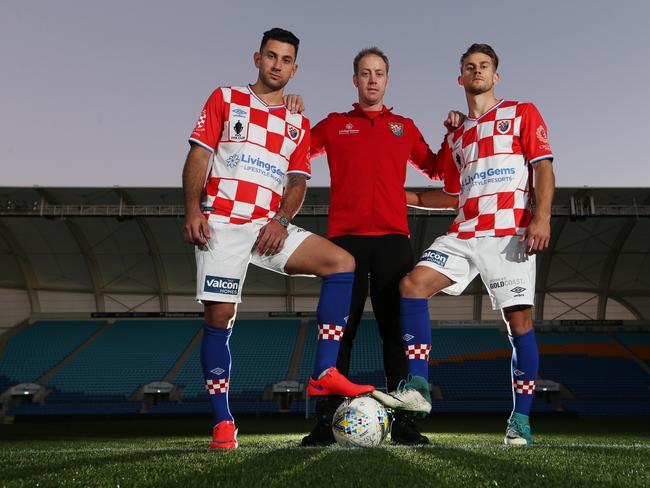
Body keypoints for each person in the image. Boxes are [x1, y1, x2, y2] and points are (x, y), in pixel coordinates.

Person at [182, 28, 375, 450]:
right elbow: (199, 154)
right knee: (219, 321)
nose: (277, 65)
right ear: (257, 58)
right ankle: (222, 423)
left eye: (286, 60)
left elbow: (298, 181)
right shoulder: (225, 98)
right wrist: (194, 210)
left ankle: (325, 372)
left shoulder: (297, 119)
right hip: (222, 224)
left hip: (268, 226)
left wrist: (282, 220)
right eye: (271, 56)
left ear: (295, 68)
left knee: (341, 263)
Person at [373, 43, 555, 446]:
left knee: (519, 325)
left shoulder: (521, 112)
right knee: (411, 285)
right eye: (470, 67)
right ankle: (419, 385)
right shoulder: (459, 135)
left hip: (509, 233)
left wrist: (541, 217)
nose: (477, 72)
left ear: (495, 75)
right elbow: (454, 193)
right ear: (460, 78)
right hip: (464, 231)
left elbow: (543, 168)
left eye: (484, 66)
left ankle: (520, 419)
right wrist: (401, 195)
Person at [289, 47, 463, 446]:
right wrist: (291, 114)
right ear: (355, 80)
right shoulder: (334, 125)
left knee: (395, 332)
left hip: (392, 241)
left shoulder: (403, 126)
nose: (372, 79)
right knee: (340, 331)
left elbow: (440, 170)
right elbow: (295, 150)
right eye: (365, 73)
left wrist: (452, 133)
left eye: (379, 73)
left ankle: (405, 422)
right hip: (345, 243)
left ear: (387, 80)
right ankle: (325, 420)